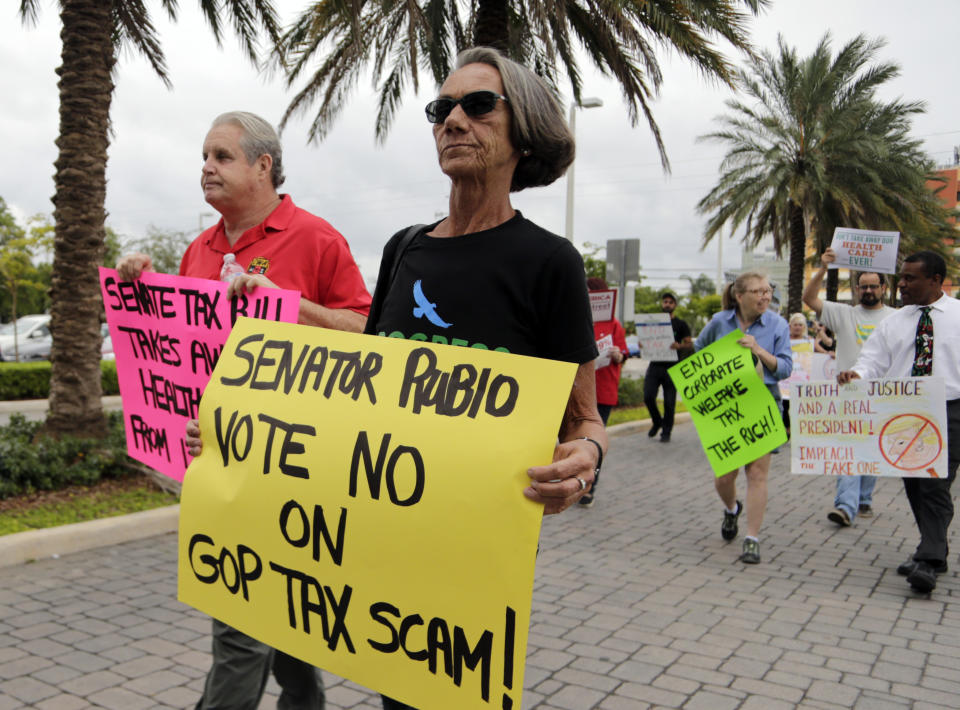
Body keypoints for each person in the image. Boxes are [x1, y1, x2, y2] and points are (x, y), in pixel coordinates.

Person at [359, 47, 607, 710]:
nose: (453, 120)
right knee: (397, 694)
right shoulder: (402, 248)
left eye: (477, 104)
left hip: (478, 541)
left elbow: (584, 418)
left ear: (521, 131)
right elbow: (363, 385)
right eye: (441, 109)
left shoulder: (549, 263)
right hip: (388, 526)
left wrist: (586, 459)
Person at [120, 111, 372, 710]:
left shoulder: (316, 239)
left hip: (293, 467)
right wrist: (141, 288)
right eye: (203, 157)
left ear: (264, 165)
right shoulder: (196, 249)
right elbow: (181, 353)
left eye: (221, 156)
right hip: (217, 466)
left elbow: (365, 329)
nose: (206, 167)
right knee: (279, 617)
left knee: (240, 625)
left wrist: (290, 305)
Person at [837, 251, 960, 594]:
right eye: (902, 277)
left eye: (910, 278)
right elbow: (872, 361)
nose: (902, 284)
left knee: (935, 482)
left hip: (950, 410)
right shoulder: (893, 322)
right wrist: (855, 374)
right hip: (905, 411)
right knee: (915, 484)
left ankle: (928, 561)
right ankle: (934, 548)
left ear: (936, 281)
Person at [694, 272, 791, 564]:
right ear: (740, 296)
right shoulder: (718, 322)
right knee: (725, 477)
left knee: (757, 475)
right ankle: (731, 509)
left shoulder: (777, 324)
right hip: (726, 408)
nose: (765, 296)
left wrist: (758, 350)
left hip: (763, 405)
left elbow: (785, 368)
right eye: (758, 291)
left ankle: (752, 538)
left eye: (768, 290)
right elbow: (700, 352)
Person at [803, 247, 896, 527]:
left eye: (873, 286)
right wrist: (822, 268)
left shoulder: (896, 317)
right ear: (857, 289)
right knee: (849, 449)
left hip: (882, 394)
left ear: (883, 287)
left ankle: (864, 498)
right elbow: (808, 298)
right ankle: (846, 506)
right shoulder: (843, 313)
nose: (868, 290)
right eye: (863, 286)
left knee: (872, 448)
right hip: (848, 393)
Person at [581, 277, 629, 507]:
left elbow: (624, 353)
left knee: (594, 441)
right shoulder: (577, 320)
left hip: (604, 390)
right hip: (579, 389)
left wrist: (618, 355)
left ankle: (590, 485)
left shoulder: (614, 325)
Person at [641, 292, 692, 443]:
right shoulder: (653, 322)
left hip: (672, 367)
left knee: (669, 403)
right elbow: (646, 339)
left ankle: (666, 432)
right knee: (648, 396)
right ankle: (657, 421)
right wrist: (643, 344)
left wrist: (680, 346)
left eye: (670, 302)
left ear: (675, 305)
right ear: (662, 304)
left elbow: (689, 344)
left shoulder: (681, 324)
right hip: (655, 365)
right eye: (665, 302)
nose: (667, 304)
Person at [780, 312, 814, 435]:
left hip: (802, 379)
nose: (798, 327)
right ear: (790, 326)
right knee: (785, 404)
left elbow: (825, 349)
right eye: (795, 324)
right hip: (786, 380)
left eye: (800, 325)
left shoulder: (809, 341)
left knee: (799, 405)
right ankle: (787, 428)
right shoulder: (784, 340)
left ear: (804, 327)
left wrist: (830, 354)